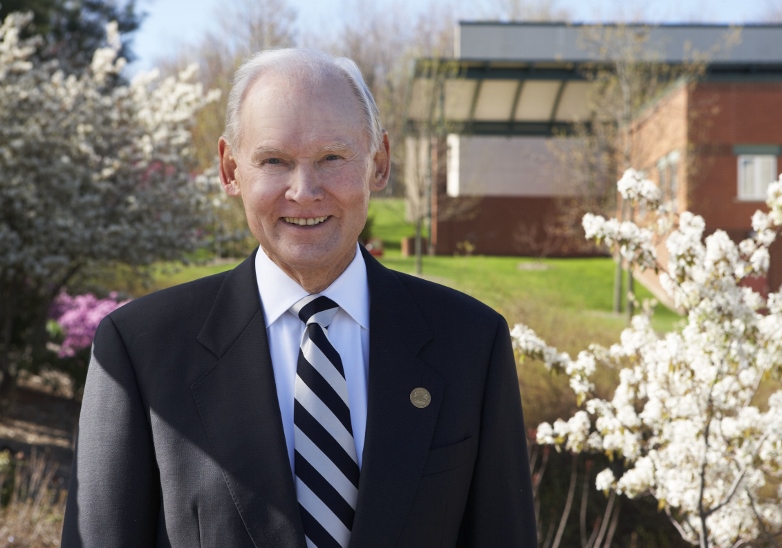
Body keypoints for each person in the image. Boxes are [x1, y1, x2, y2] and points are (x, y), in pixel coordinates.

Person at [62, 48, 536, 547]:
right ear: (230, 170)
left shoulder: (470, 343)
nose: (304, 191)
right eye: (274, 160)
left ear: (379, 164)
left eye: (332, 157)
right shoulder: (140, 349)